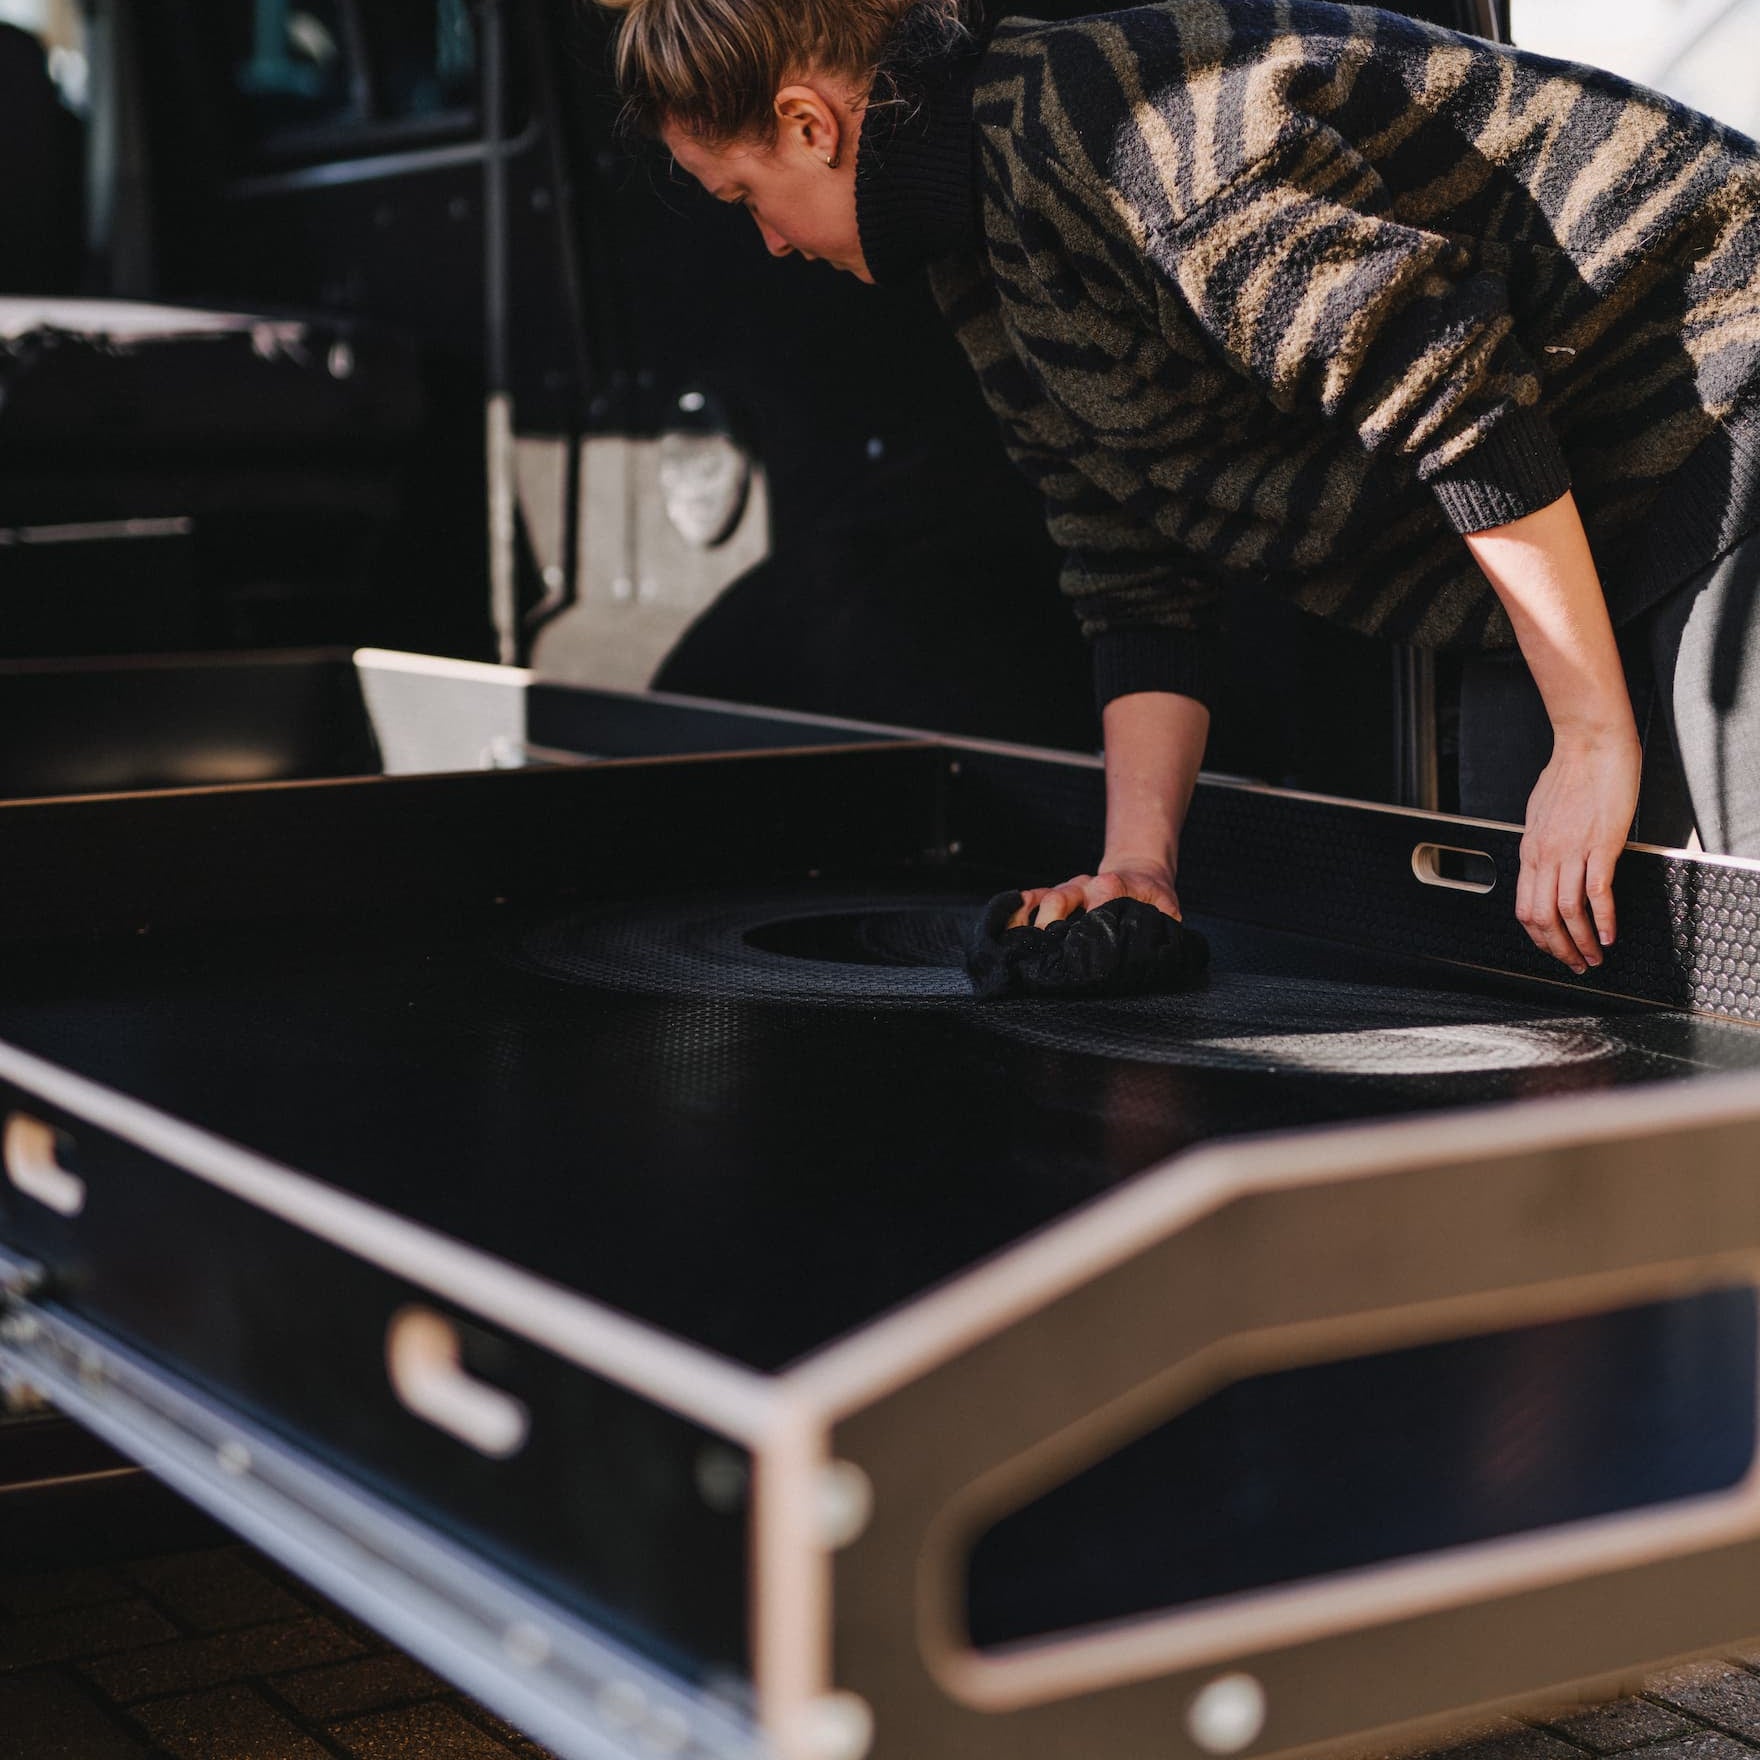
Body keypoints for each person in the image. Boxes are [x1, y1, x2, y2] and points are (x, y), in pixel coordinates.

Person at [606, 0, 1760, 975]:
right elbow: (1129, 566)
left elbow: (1450, 395)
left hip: (1720, 401)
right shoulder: (974, 255)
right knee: (1546, 937)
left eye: (741, 196)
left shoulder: (1124, 134)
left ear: (808, 125)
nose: (766, 243)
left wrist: (1589, 733)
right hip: (1574, 521)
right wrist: (1136, 867)